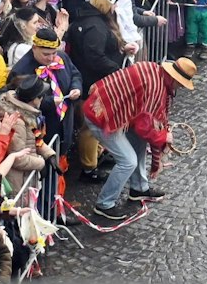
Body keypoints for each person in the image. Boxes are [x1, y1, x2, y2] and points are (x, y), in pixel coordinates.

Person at [78, 56, 197, 219]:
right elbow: (145, 126)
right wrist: (164, 137)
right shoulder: (155, 88)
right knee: (128, 161)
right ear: (174, 78)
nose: (180, 88)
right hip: (102, 117)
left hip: (110, 111)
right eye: (181, 84)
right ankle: (105, 204)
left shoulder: (154, 71)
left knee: (139, 143)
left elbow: (143, 122)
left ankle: (139, 188)